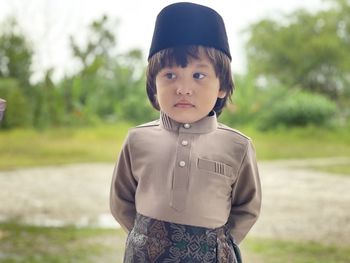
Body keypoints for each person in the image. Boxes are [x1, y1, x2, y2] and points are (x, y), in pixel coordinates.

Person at [110, 2, 261, 262]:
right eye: (169, 75)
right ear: (153, 86)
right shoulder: (137, 140)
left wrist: (216, 245)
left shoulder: (237, 146)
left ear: (222, 86)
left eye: (198, 75)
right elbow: (121, 200)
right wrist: (146, 238)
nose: (183, 88)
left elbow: (247, 206)